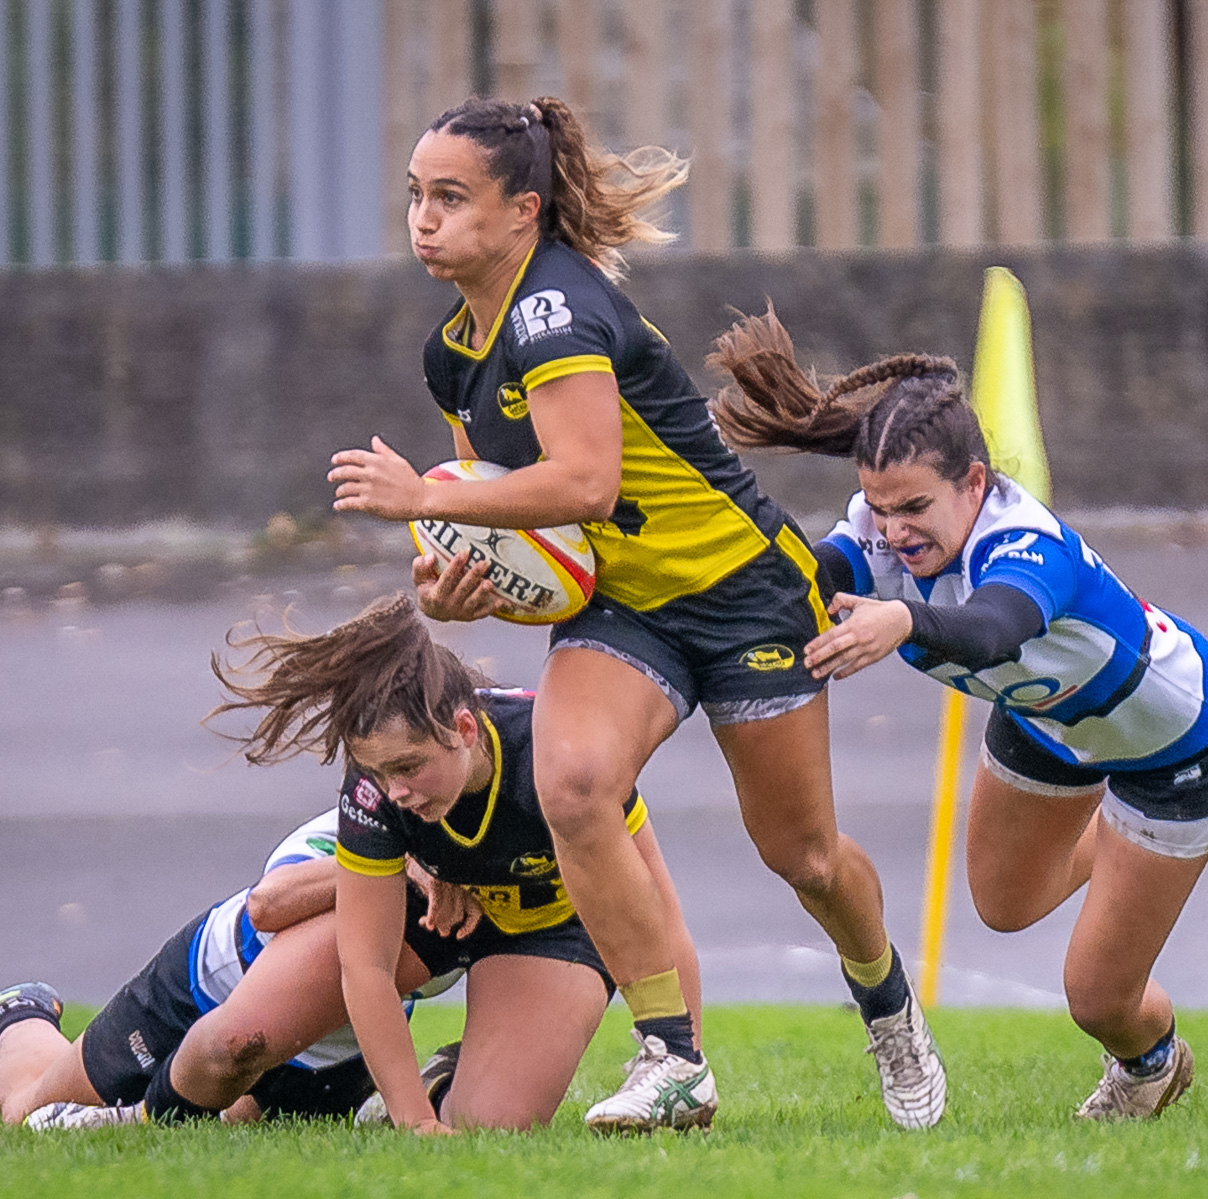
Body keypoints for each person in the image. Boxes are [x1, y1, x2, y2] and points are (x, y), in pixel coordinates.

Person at [326, 96, 946, 1131]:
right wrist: (451, 578)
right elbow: (520, 521)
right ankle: (672, 1055)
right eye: (414, 197)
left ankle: (884, 998)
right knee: (573, 782)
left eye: (450, 198)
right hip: (627, 606)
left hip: (745, 592)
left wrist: (425, 499)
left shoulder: (555, 312)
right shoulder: (457, 352)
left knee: (804, 857)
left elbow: (585, 482)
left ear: (523, 210)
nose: (422, 220)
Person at [706, 307, 1208, 1121]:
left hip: (1174, 744)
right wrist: (742, 571)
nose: (895, 531)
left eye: (914, 507)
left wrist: (902, 620)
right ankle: (1137, 849)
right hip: (1046, 719)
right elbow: (818, 572)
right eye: (879, 507)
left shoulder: (1022, 544)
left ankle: (1151, 1064)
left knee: (1095, 995)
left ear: (974, 482)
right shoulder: (882, 522)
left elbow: (993, 628)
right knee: (1004, 903)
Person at [208, 593, 705, 1134]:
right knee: (238, 1034)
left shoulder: (555, 749)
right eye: (380, 772)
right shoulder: (380, 781)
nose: (395, 790)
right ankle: (168, 1096)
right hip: (435, 916)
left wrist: (680, 1064)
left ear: (466, 730)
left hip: (552, 927)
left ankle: (447, 1076)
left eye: (409, 767)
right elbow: (365, 968)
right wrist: (414, 1122)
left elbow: (659, 913)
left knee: (487, 1125)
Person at [0, 807, 457, 1129]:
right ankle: (18, 1017)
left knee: (219, 1130)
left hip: (334, 1045)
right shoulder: (371, 812)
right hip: (204, 989)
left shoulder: (499, 859)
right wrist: (389, 865)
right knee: (26, 1117)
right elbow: (269, 903)